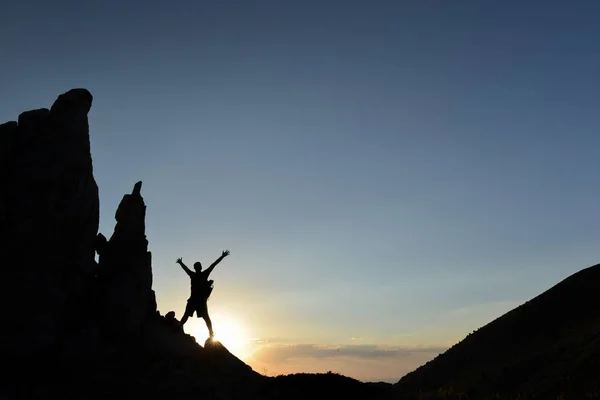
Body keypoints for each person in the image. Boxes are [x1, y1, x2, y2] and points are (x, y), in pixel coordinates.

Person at [176, 250, 230, 337]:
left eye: (198, 266)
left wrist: (181, 263)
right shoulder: (201, 274)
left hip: (197, 300)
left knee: (194, 316)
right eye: (198, 266)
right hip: (197, 300)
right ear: (199, 267)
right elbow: (213, 265)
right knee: (197, 317)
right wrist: (222, 256)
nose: (198, 267)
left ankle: (210, 333)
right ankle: (210, 333)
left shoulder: (195, 274)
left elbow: (213, 265)